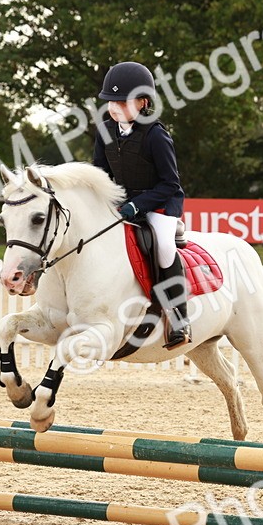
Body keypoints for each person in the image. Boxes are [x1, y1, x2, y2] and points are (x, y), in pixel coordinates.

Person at [92, 61, 191, 349]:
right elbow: (101, 174)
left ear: (143, 102)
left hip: (160, 201)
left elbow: (170, 183)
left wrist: (138, 206)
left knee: (162, 247)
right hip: (123, 201)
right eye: (111, 101)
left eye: (122, 102)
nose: (114, 107)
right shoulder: (105, 130)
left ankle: (178, 318)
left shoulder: (156, 135)